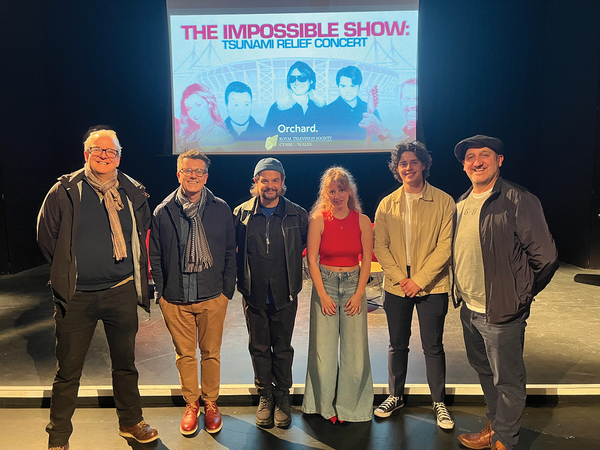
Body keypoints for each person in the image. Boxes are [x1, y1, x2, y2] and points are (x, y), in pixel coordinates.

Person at [37, 126, 158, 450]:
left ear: (119, 156)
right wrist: (68, 269)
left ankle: (131, 421)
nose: (104, 156)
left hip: (120, 291)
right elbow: (47, 237)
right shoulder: (65, 190)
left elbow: (141, 234)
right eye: (98, 150)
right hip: (76, 297)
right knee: (68, 372)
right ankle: (58, 439)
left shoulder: (132, 191)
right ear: (86, 154)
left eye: (111, 151)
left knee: (125, 364)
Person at [452, 135, 558, 450]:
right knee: (485, 372)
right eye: (470, 157)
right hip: (470, 309)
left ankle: (506, 441)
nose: (477, 161)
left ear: (500, 160)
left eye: (485, 154)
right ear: (464, 166)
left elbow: (547, 258)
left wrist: (519, 295)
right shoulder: (461, 202)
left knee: (508, 381)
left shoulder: (518, 199)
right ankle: (496, 427)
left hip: (502, 311)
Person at [149, 149, 236, 435]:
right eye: (188, 171)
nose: (194, 176)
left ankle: (211, 403)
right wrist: (161, 294)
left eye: (199, 172)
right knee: (184, 355)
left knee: (211, 353)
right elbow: (157, 255)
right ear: (179, 174)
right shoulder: (164, 211)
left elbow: (228, 253)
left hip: (212, 296)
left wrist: (226, 291)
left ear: (206, 176)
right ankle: (191, 404)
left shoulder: (221, 208)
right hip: (175, 298)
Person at [373, 141, 455, 429]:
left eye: (413, 162)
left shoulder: (445, 201)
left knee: (433, 346)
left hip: (432, 285)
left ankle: (439, 402)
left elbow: (446, 247)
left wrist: (419, 280)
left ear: (424, 165)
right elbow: (380, 247)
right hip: (397, 286)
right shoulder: (387, 204)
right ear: (398, 169)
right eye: (402, 163)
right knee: (398, 344)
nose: (408, 167)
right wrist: (401, 279)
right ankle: (395, 396)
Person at [233, 158, 308, 428]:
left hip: (285, 293)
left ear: (283, 183)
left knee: (283, 348)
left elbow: (303, 247)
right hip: (253, 294)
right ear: (256, 183)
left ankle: (282, 396)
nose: (270, 185)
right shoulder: (240, 214)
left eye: (275, 180)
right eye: (264, 180)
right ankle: (265, 396)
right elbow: (233, 252)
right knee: (259, 347)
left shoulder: (297, 215)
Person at [302, 167, 374, 423]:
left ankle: (350, 407)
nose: (337, 195)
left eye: (341, 189)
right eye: (331, 191)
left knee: (355, 355)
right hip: (327, 285)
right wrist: (322, 294)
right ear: (325, 194)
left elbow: (366, 261)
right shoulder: (318, 220)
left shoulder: (363, 221)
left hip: (354, 286)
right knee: (323, 353)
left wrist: (359, 294)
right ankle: (324, 406)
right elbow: (312, 260)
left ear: (349, 191)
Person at [263, 61, 325, 138]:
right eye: (292, 79)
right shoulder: (277, 108)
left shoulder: (321, 107)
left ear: (311, 81)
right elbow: (268, 140)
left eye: (302, 78)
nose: (296, 83)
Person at [324, 66, 381, 142]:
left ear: (359, 86)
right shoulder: (326, 112)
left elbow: (379, 140)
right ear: (338, 86)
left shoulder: (371, 111)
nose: (348, 91)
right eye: (343, 86)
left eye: (352, 86)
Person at [175, 83, 234, 150]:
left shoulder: (220, 133)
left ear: (210, 103)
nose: (194, 112)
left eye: (198, 105)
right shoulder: (194, 133)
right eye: (189, 108)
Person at [360, 78, 417, 143]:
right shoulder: (402, 138)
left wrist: (381, 132)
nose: (412, 105)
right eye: (407, 99)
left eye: (416, 99)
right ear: (401, 102)